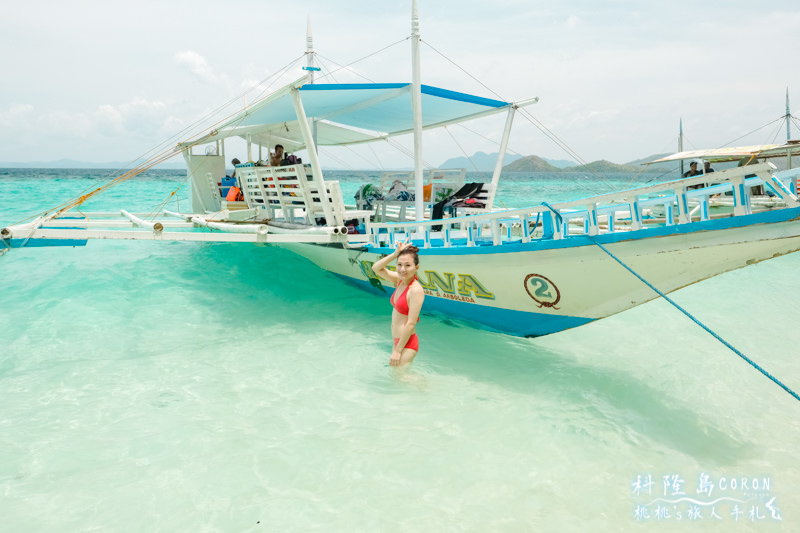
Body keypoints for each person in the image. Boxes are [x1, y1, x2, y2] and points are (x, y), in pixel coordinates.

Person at [371, 241, 425, 366]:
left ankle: (427, 386)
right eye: (399, 264)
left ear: (416, 268)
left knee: (402, 377)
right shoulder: (399, 280)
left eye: (407, 265)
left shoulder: (415, 290)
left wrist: (398, 350)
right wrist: (395, 254)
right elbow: (376, 268)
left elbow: (411, 323)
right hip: (399, 341)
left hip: (406, 343)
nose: (402, 269)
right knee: (398, 377)